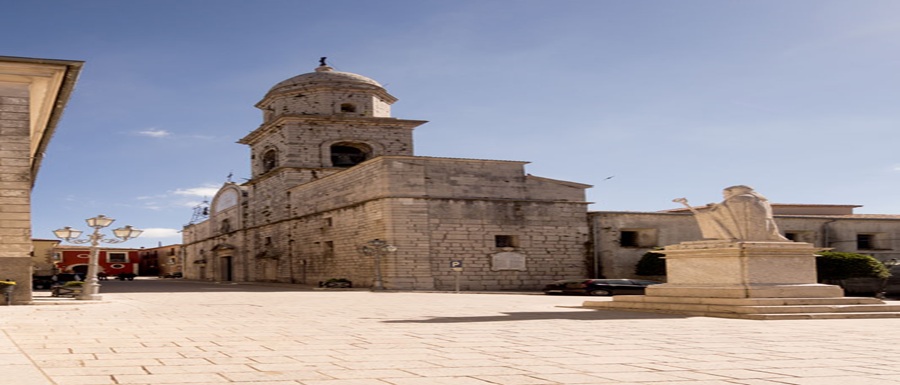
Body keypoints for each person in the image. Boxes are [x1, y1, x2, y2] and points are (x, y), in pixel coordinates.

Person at [674, 185, 788, 242]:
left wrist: (714, 210)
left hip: (741, 234)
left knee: (707, 217)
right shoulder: (762, 200)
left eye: (725, 195)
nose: (724, 197)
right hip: (761, 232)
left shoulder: (736, 199)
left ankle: (728, 238)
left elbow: (725, 214)